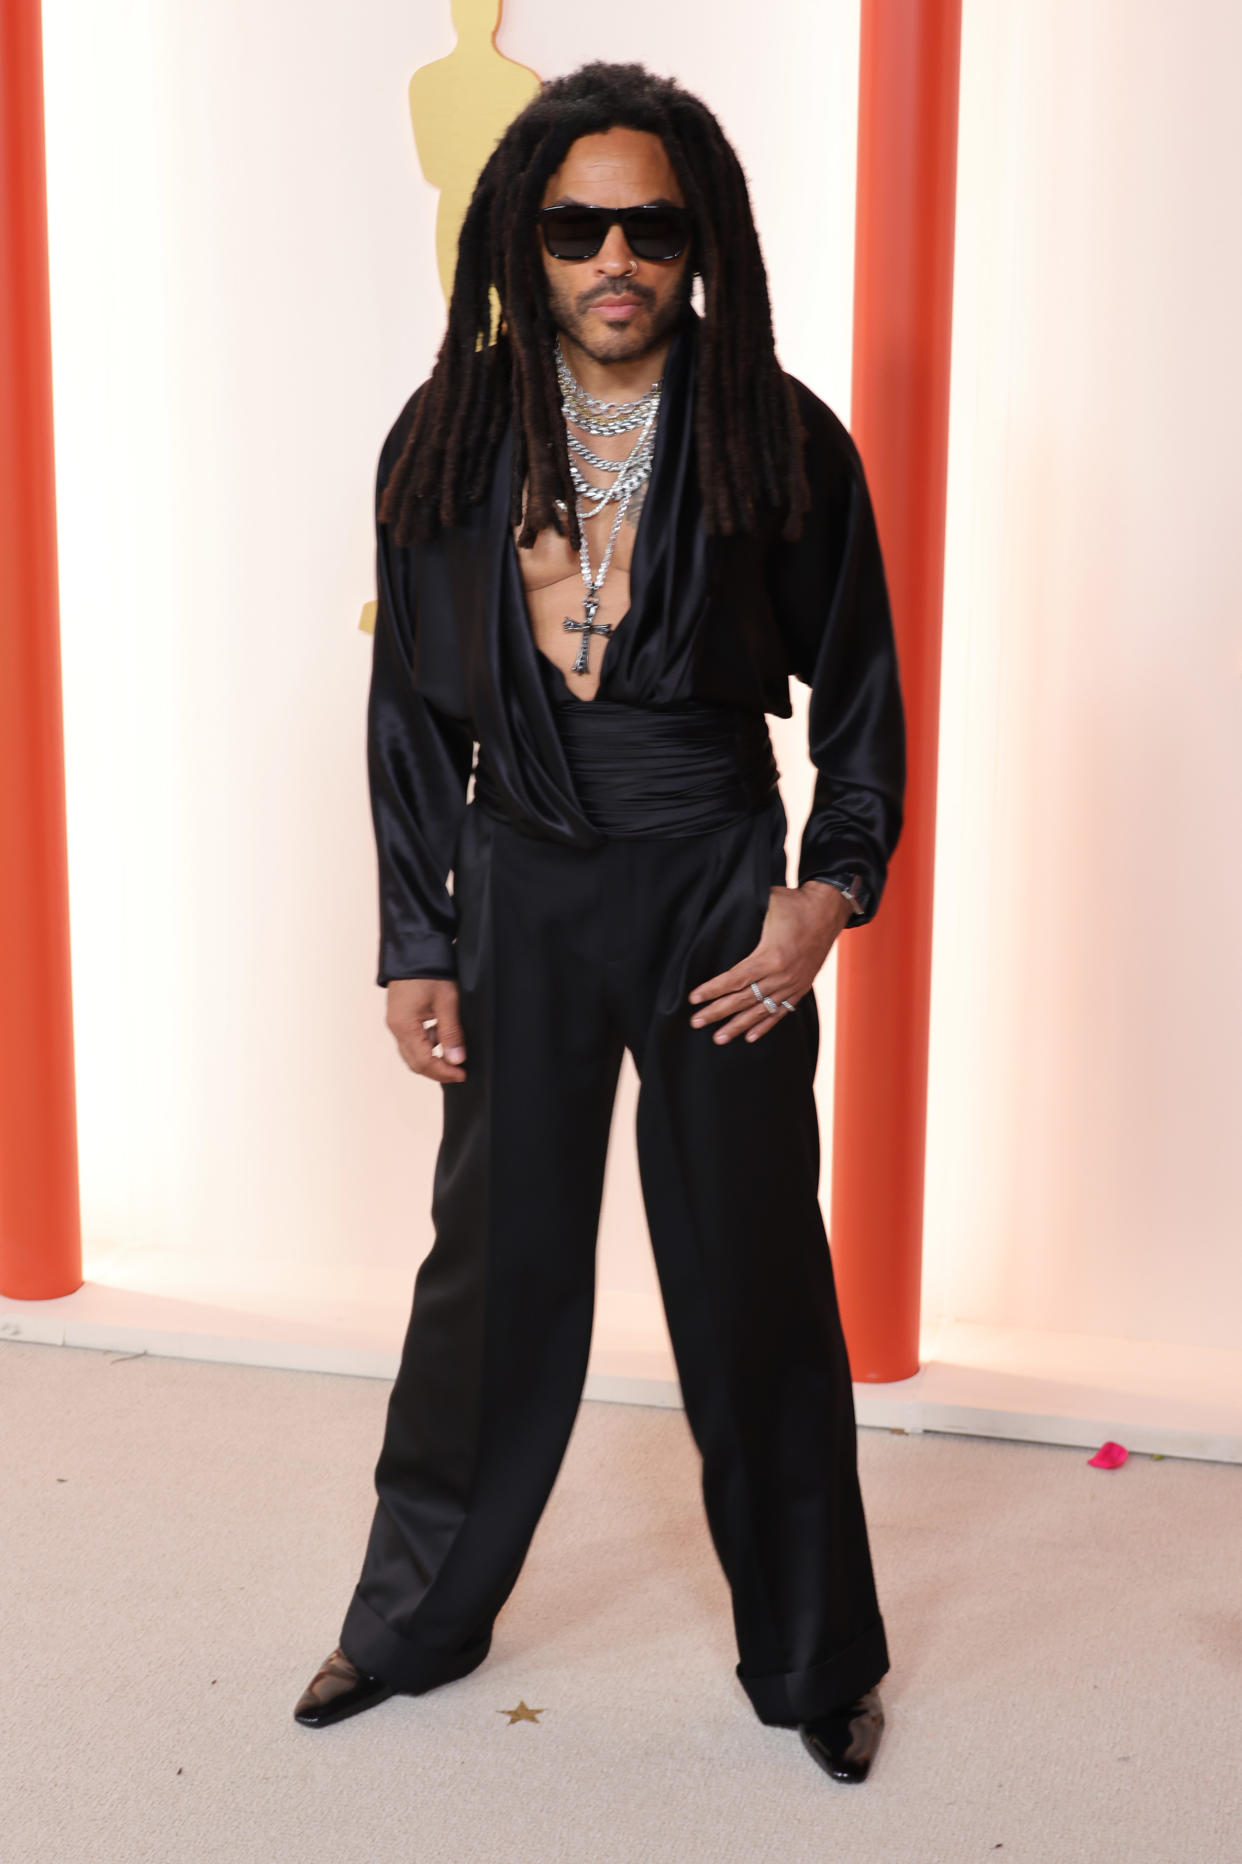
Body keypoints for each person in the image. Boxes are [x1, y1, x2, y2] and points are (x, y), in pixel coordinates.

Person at [294, 60, 905, 1786]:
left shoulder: (776, 435)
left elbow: (856, 701)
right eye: (577, 225)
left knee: (755, 1287)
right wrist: (418, 932)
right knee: (490, 1281)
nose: (615, 254)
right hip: (520, 890)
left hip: (717, 883)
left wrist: (824, 898)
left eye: (649, 222)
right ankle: (412, 1621)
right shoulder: (449, 439)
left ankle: (811, 1661)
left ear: (697, 237)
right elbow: (411, 713)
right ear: (522, 242)